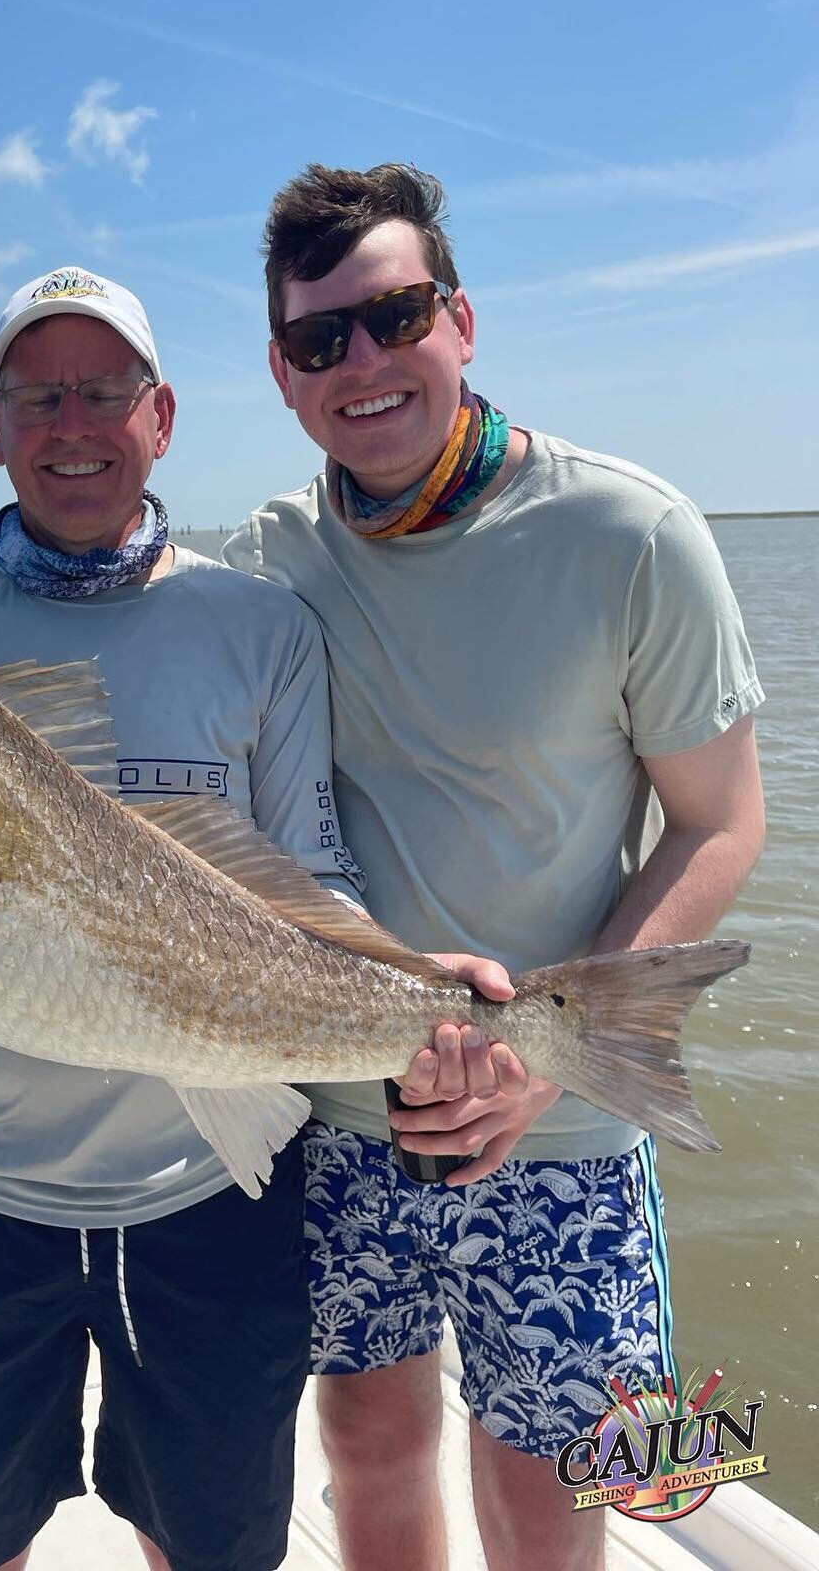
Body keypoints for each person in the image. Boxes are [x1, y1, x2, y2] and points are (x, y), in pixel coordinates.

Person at [0, 263, 512, 1571]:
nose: (73, 423)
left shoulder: (259, 625)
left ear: (161, 417)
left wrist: (406, 983)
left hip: (206, 1193)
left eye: (106, 391)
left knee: (208, 1543)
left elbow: (303, 873)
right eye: (39, 397)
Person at [224, 162, 767, 1571]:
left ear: (461, 320)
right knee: (366, 1450)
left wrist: (551, 1052)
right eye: (319, 339)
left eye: (393, 315)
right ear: (283, 377)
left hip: (568, 1129)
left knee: (551, 1495)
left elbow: (720, 823)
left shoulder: (635, 534)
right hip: (346, 1119)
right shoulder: (267, 561)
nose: (363, 361)